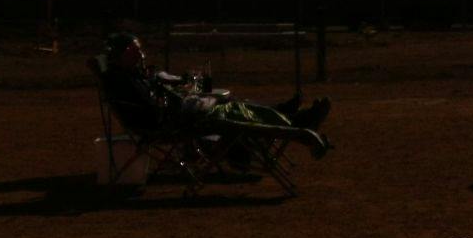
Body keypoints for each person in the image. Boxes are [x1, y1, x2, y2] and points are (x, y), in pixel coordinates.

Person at [95, 34, 332, 159]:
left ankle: (291, 116)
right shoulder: (124, 81)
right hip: (177, 121)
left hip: (179, 116)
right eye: (134, 51)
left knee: (237, 108)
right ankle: (299, 128)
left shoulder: (127, 76)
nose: (140, 55)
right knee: (237, 115)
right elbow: (153, 108)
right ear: (123, 54)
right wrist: (172, 95)